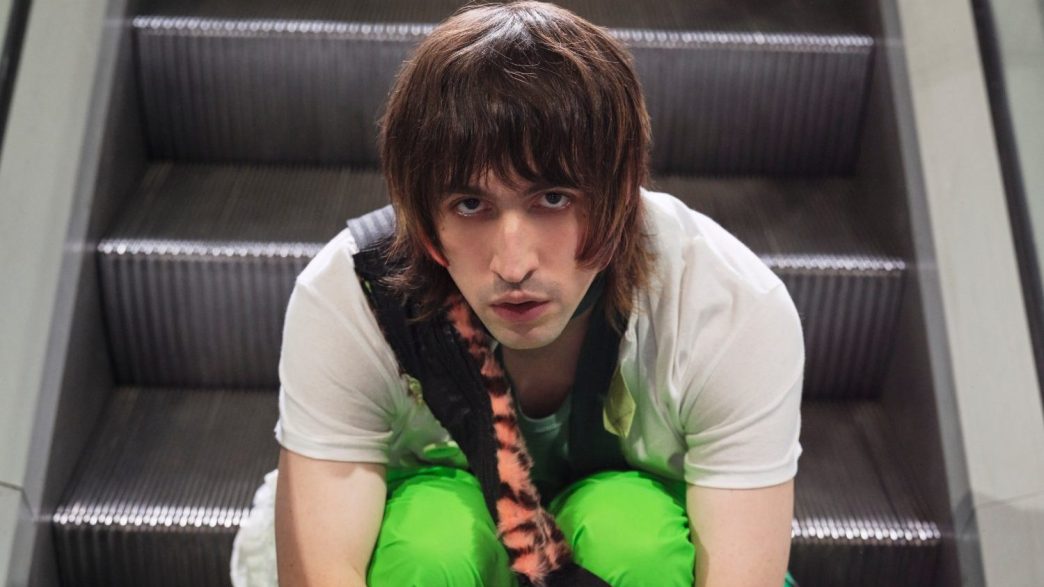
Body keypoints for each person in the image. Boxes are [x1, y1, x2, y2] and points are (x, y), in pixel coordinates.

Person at [230, 2, 805, 586]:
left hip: (642, 545)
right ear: (422, 219)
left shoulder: (726, 306)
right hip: (434, 544)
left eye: (553, 198)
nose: (513, 265)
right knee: (428, 545)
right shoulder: (352, 295)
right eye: (470, 204)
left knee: (633, 539)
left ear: (620, 195)